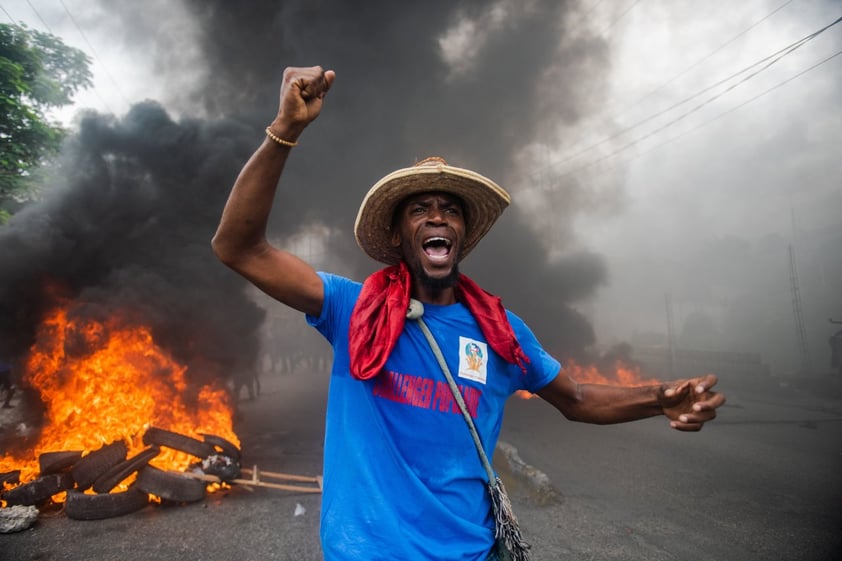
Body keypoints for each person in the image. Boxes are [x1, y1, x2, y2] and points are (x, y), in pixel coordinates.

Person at [212, 66, 726, 561]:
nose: (437, 215)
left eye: (450, 208)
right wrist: (284, 131)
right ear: (398, 236)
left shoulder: (502, 333)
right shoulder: (353, 309)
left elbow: (579, 398)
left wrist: (659, 398)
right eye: (419, 208)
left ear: (461, 236)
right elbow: (239, 247)